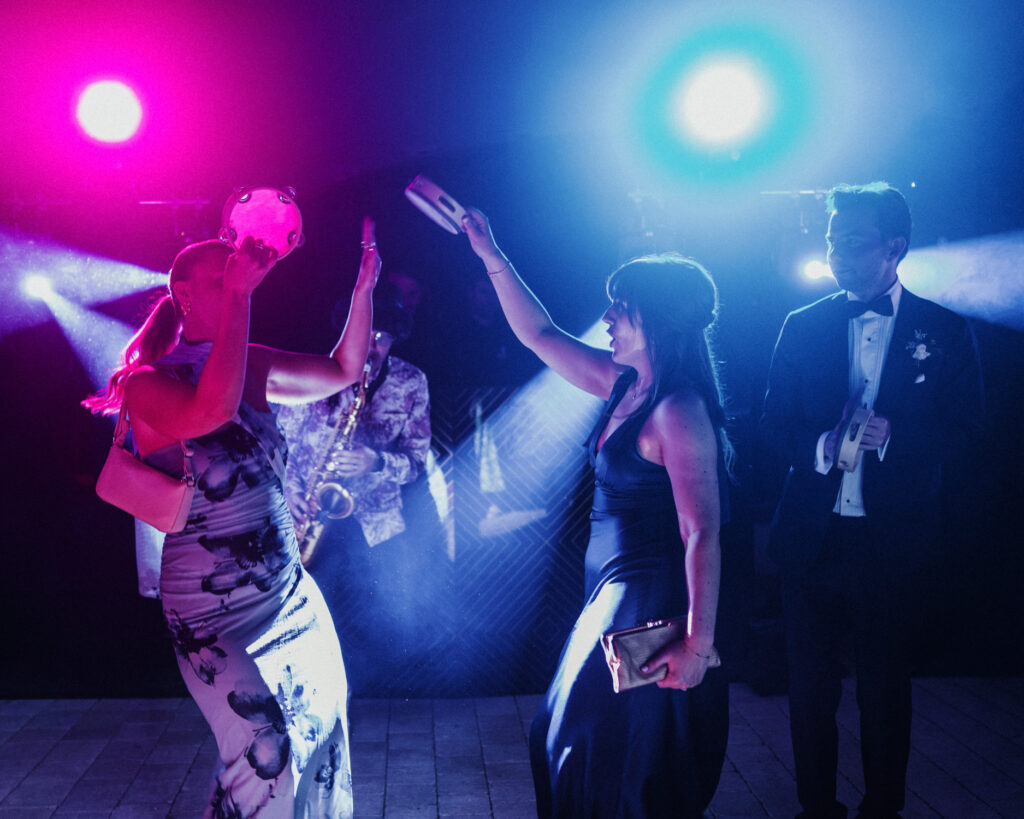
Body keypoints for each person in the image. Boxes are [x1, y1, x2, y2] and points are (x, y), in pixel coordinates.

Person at [83, 222, 381, 817]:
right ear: (186, 296)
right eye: (225, 277)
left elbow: (346, 369)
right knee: (262, 744)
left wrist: (363, 290)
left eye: (241, 275)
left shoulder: (255, 363)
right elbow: (210, 410)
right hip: (210, 607)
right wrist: (242, 298)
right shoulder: (150, 384)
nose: (240, 281)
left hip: (287, 589)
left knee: (320, 733)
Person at [461, 208, 730, 817]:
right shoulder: (623, 385)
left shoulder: (677, 411)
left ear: (656, 319)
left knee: (599, 750)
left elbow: (702, 533)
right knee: (580, 743)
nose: (606, 317)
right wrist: (490, 253)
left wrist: (698, 645)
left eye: (620, 307)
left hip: (647, 602)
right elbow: (539, 334)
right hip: (608, 592)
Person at [760, 182, 984, 819]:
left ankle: (883, 809)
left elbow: (971, 436)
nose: (835, 253)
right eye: (831, 239)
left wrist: (898, 437)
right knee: (809, 690)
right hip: (811, 536)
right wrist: (824, 447)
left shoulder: (944, 329)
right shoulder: (800, 326)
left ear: (896, 247)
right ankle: (816, 808)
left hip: (891, 542)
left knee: (885, 691)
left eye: (852, 241)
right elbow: (770, 427)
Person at [276, 283, 434, 695]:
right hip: (311, 521)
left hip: (377, 526)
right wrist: (286, 491)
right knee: (312, 620)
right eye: (367, 334)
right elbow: (278, 447)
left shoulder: (412, 382)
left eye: (383, 336)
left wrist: (376, 461)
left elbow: (417, 463)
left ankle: (375, 708)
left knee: (377, 626)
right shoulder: (312, 374)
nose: (374, 345)